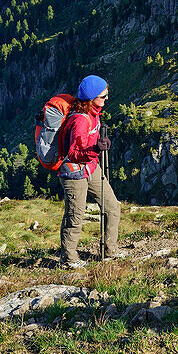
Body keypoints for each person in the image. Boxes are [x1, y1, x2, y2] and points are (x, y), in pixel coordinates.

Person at [58, 74, 120, 267]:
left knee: (112, 207)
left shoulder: (94, 114)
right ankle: (68, 259)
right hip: (74, 172)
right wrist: (96, 149)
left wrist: (99, 145)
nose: (106, 99)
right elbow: (73, 153)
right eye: (103, 96)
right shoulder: (80, 120)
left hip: (91, 167)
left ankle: (110, 252)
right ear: (91, 97)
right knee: (75, 215)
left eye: (107, 94)